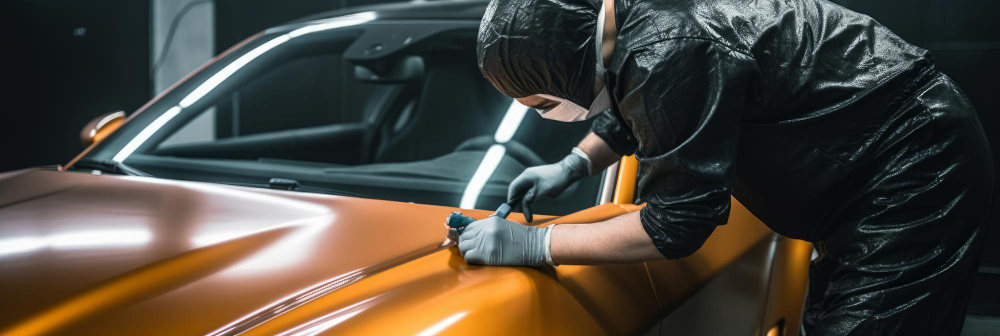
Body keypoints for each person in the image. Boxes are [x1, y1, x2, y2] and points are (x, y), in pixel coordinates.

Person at [454, 0, 995, 334]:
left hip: (915, 162)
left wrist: (535, 244)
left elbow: (675, 224)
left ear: (565, 65)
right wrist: (573, 164)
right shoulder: (630, 29)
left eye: (544, 104)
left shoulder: (669, 46)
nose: (552, 115)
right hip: (868, 163)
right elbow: (643, 103)